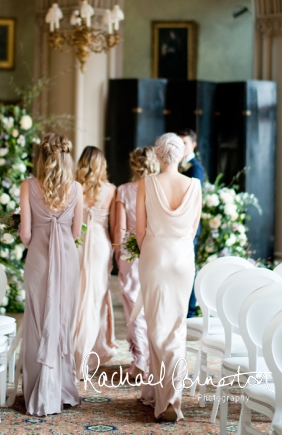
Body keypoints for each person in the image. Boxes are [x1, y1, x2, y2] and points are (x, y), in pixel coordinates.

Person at [133, 133, 202, 422]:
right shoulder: (194, 185)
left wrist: (149, 250)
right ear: (178, 154)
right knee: (176, 327)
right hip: (183, 260)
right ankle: (163, 395)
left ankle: (164, 397)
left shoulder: (146, 183)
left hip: (155, 257)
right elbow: (193, 230)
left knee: (156, 325)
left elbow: (140, 230)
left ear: (158, 155)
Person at [18, 133, 84, 416]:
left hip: (39, 260)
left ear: (42, 158)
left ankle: (39, 390)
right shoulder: (77, 189)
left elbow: (25, 236)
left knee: (37, 320)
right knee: (61, 319)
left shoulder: (28, 185)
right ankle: (60, 389)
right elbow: (76, 233)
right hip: (67, 259)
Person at [112, 147, 159, 377]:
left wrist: (117, 253)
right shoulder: (160, 188)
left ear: (133, 165)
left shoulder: (124, 190)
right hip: (155, 253)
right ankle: (150, 358)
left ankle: (140, 359)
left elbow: (120, 228)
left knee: (134, 307)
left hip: (131, 254)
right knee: (151, 307)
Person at [72, 146, 118, 375]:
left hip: (77, 242)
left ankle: (72, 352)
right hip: (100, 244)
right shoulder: (111, 190)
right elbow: (115, 227)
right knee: (95, 298)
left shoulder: (73, 187)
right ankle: (86, 353)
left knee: (77, 296)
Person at [177, 128, 205, 318]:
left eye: (184, 143)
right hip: (177, 225)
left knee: (188, 267)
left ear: (193, 145)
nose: (181, 147)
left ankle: (190, 310)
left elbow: (193, 200)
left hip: (189, 225)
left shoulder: (195, 168)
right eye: (179, 143)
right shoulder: (178, 166)